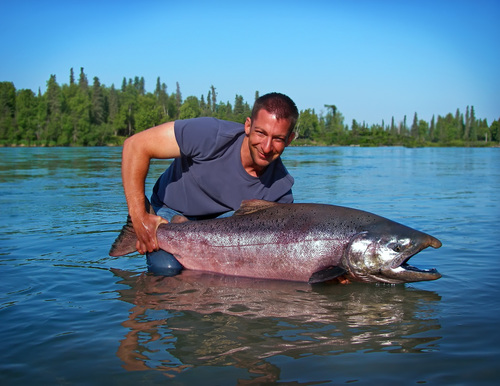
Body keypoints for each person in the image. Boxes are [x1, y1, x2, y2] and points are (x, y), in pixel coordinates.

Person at [121, 92, 299, 274]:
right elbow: (135, 146)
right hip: (169, 215)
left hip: (223, 229)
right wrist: (139, 218)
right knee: (166, 270)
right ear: (248, 126)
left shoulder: (280, 191)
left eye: (277, 139)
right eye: (261, 133)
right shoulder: (211, 134)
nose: (267, 147)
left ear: (289, 139)